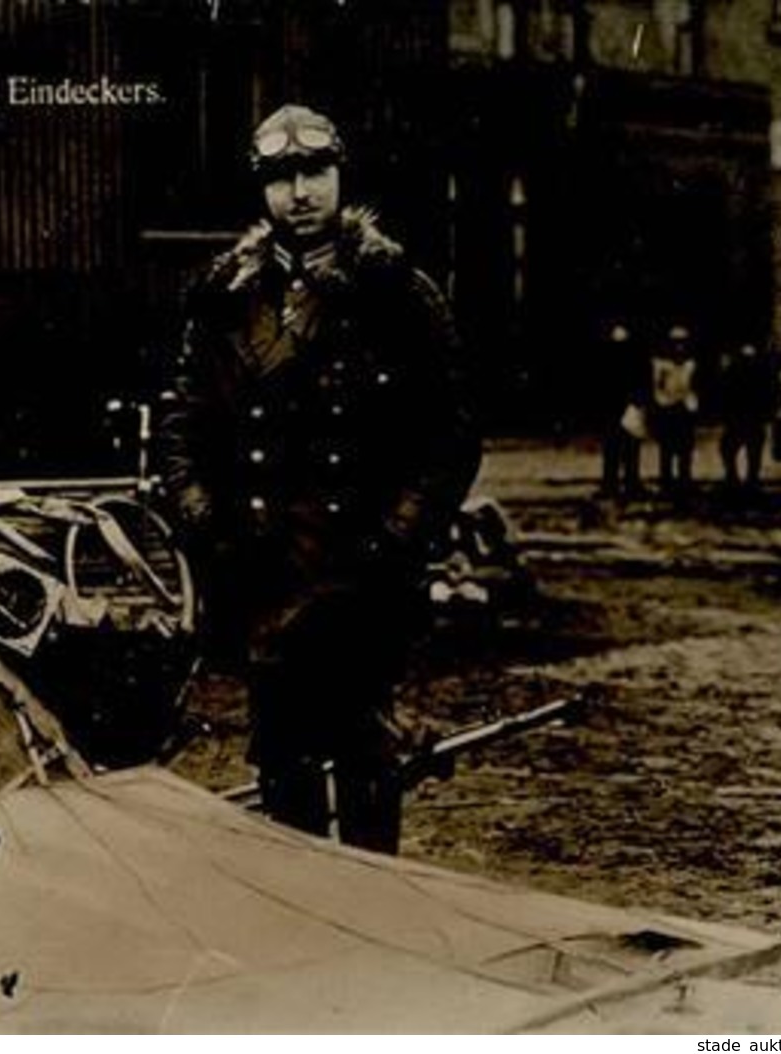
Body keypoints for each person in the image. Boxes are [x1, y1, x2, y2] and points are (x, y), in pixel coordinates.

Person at [156, 104, 480, 853]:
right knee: (281, 754)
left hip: (360, 562)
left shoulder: (396, 290)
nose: (299, 193)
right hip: (263, 561)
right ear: (261, 191)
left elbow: (451, 433)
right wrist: (202, 514)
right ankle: (307, 924)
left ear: (339, 176)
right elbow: (182, 419)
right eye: (280, 178)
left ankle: (373, 919)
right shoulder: (223, 298)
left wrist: (398, 532)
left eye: (313, 173)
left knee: (365, 750)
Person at [718, 341, 778, 492]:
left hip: (750, 417)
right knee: (731, 448)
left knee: (748, 450)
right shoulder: (737, 372)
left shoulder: (758, 373)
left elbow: (771, 393)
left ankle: (747, 479)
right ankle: (737, 478)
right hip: (741, 417)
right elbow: (725, 393)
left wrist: (767, 412)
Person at [597, 321, 647, 500]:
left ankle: (627, 482)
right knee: (615, 448)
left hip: (627, 405)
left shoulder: (633, 358)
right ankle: (614, 483)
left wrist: (638, 401)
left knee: (628, 447)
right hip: (613, 406)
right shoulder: (611, 359)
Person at [649, 323, 700, 496]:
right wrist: (661, 402)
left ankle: (685, 479)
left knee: (686, 448)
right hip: (667, 407)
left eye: (683, 342)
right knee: (667, 447)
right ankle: (666, 481)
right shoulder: (660, 364)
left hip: (685, 408)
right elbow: (656, 387)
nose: (679, 346)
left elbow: (695, 385)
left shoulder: (691, 363)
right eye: (675, 342)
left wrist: (692, 403)